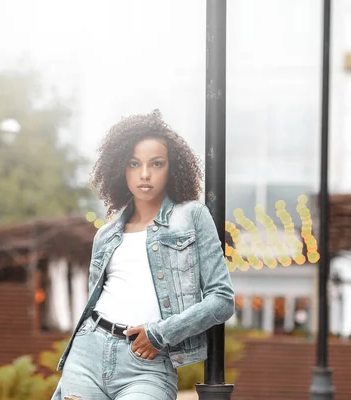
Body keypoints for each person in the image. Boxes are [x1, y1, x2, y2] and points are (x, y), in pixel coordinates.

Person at [51, 110, 235, 400]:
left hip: (148, 362)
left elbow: (221, 300)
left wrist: (160, 333)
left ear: (171, 169)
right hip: (88, 354)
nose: (145, 174)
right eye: (134, 164)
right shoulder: (106, 234)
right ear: (120, 169)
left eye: (156, 164)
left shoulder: (192, 216)